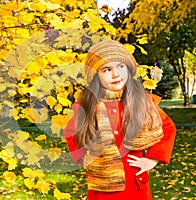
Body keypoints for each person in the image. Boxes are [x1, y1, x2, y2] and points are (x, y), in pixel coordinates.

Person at [64, 40, 176, 200]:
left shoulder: (140, 101)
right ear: (96, 75)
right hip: (101, 187)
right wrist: (83, 157)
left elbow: (167, 127)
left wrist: (152, 159)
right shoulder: (87, 104)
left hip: (134, 182)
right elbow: (71, 131)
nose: (116, 74)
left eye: (120, 66)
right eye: (107, 69)